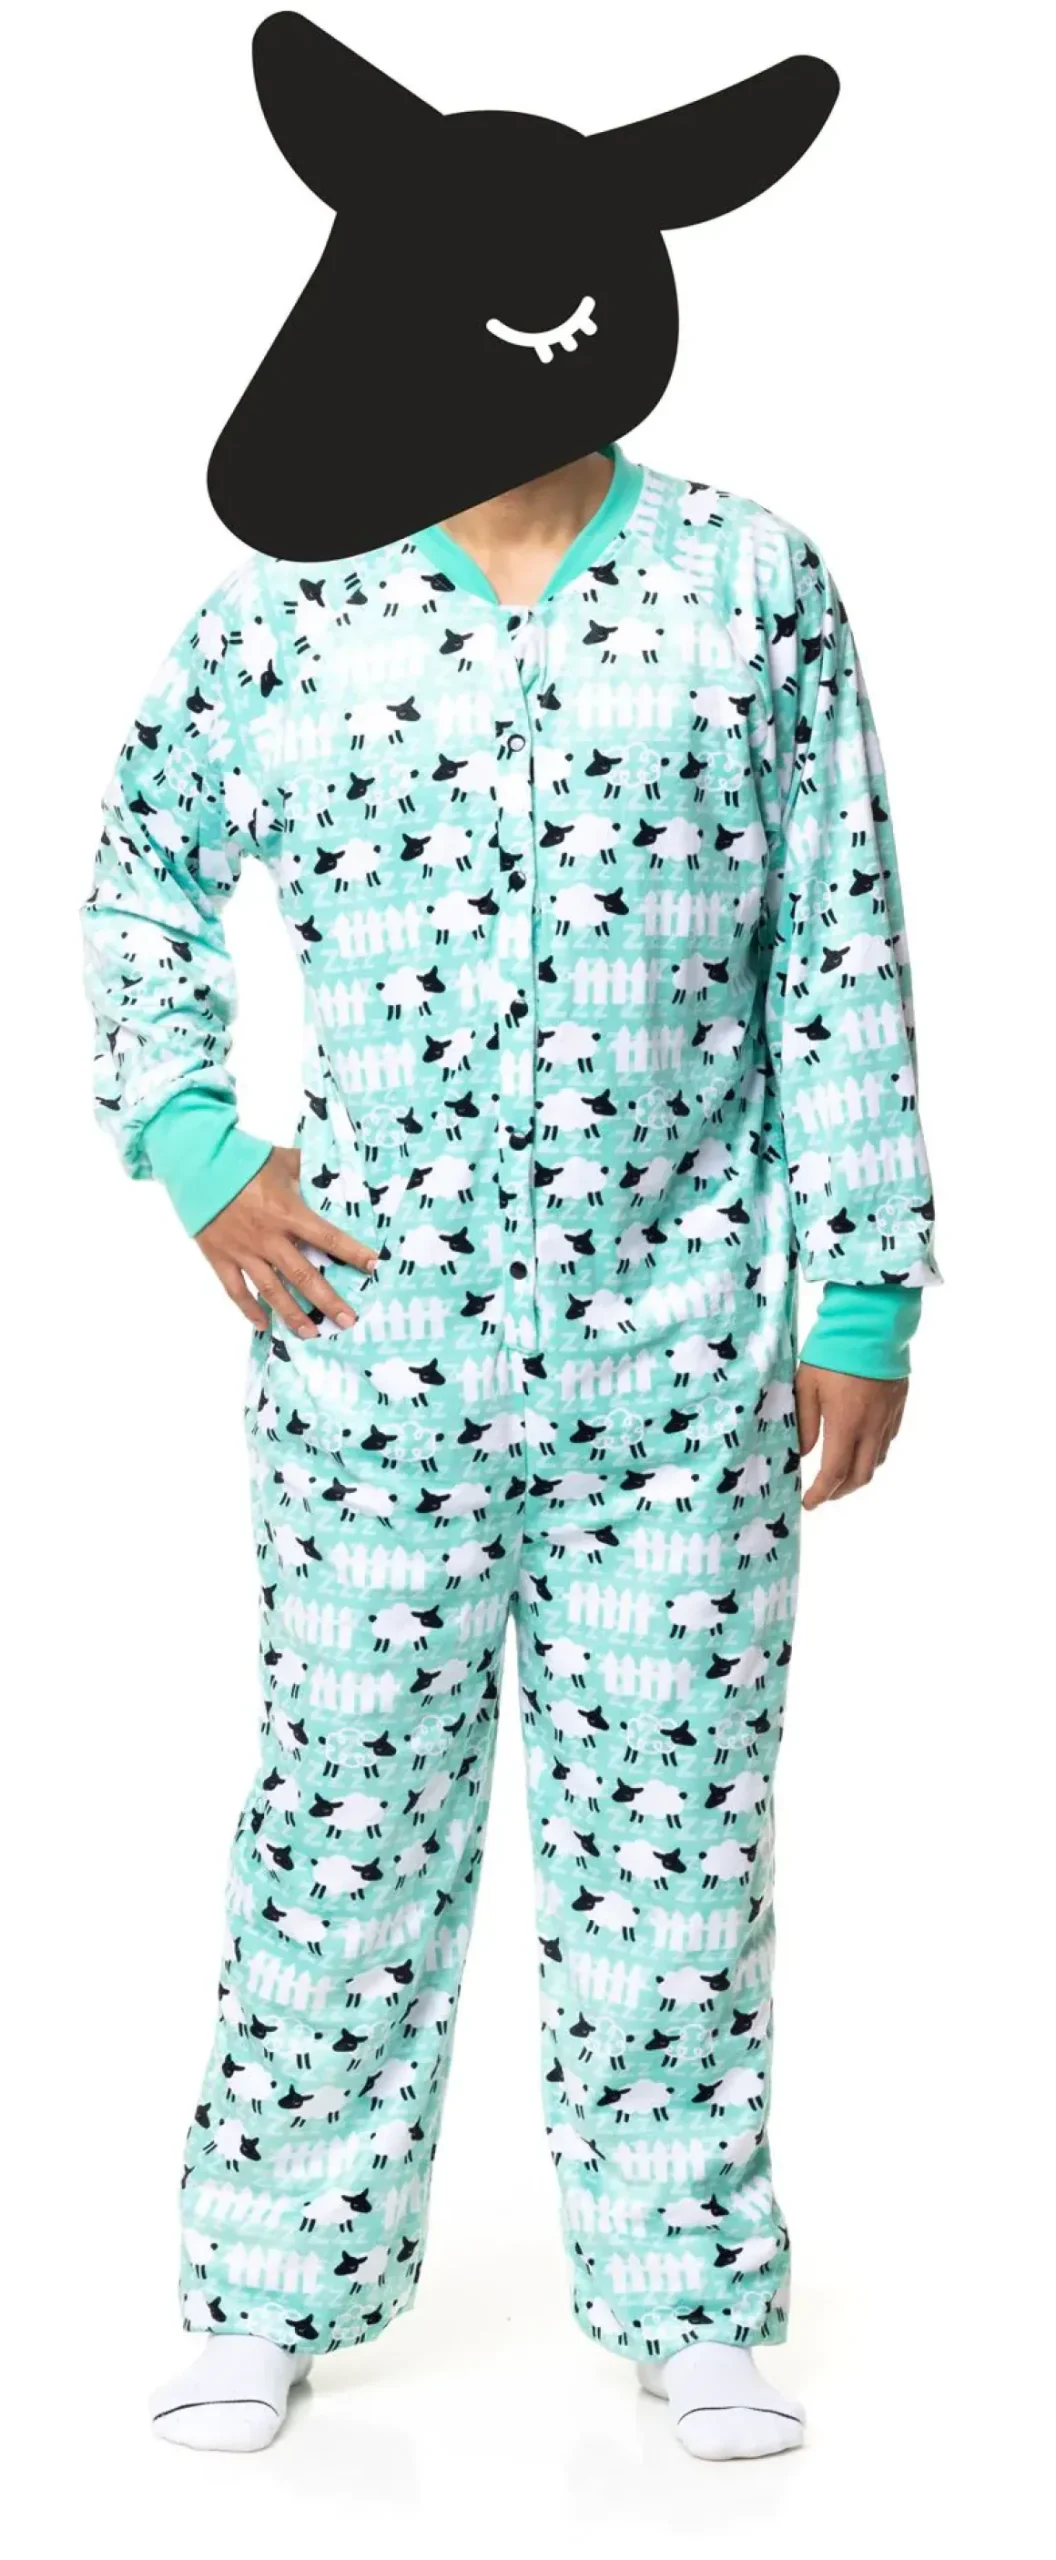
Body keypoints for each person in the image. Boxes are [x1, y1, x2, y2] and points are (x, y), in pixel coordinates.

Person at [81, 440, 939, 2459]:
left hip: (685, 1363)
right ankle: (266, 2281)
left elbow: (840, 938)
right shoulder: (293, 607)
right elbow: (141, 867)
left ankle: (691, 2286)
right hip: (371, 1367)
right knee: (343, 1827)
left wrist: (866, 1283)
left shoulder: (751, 589)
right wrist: (195, 1146)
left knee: (679, 1845)